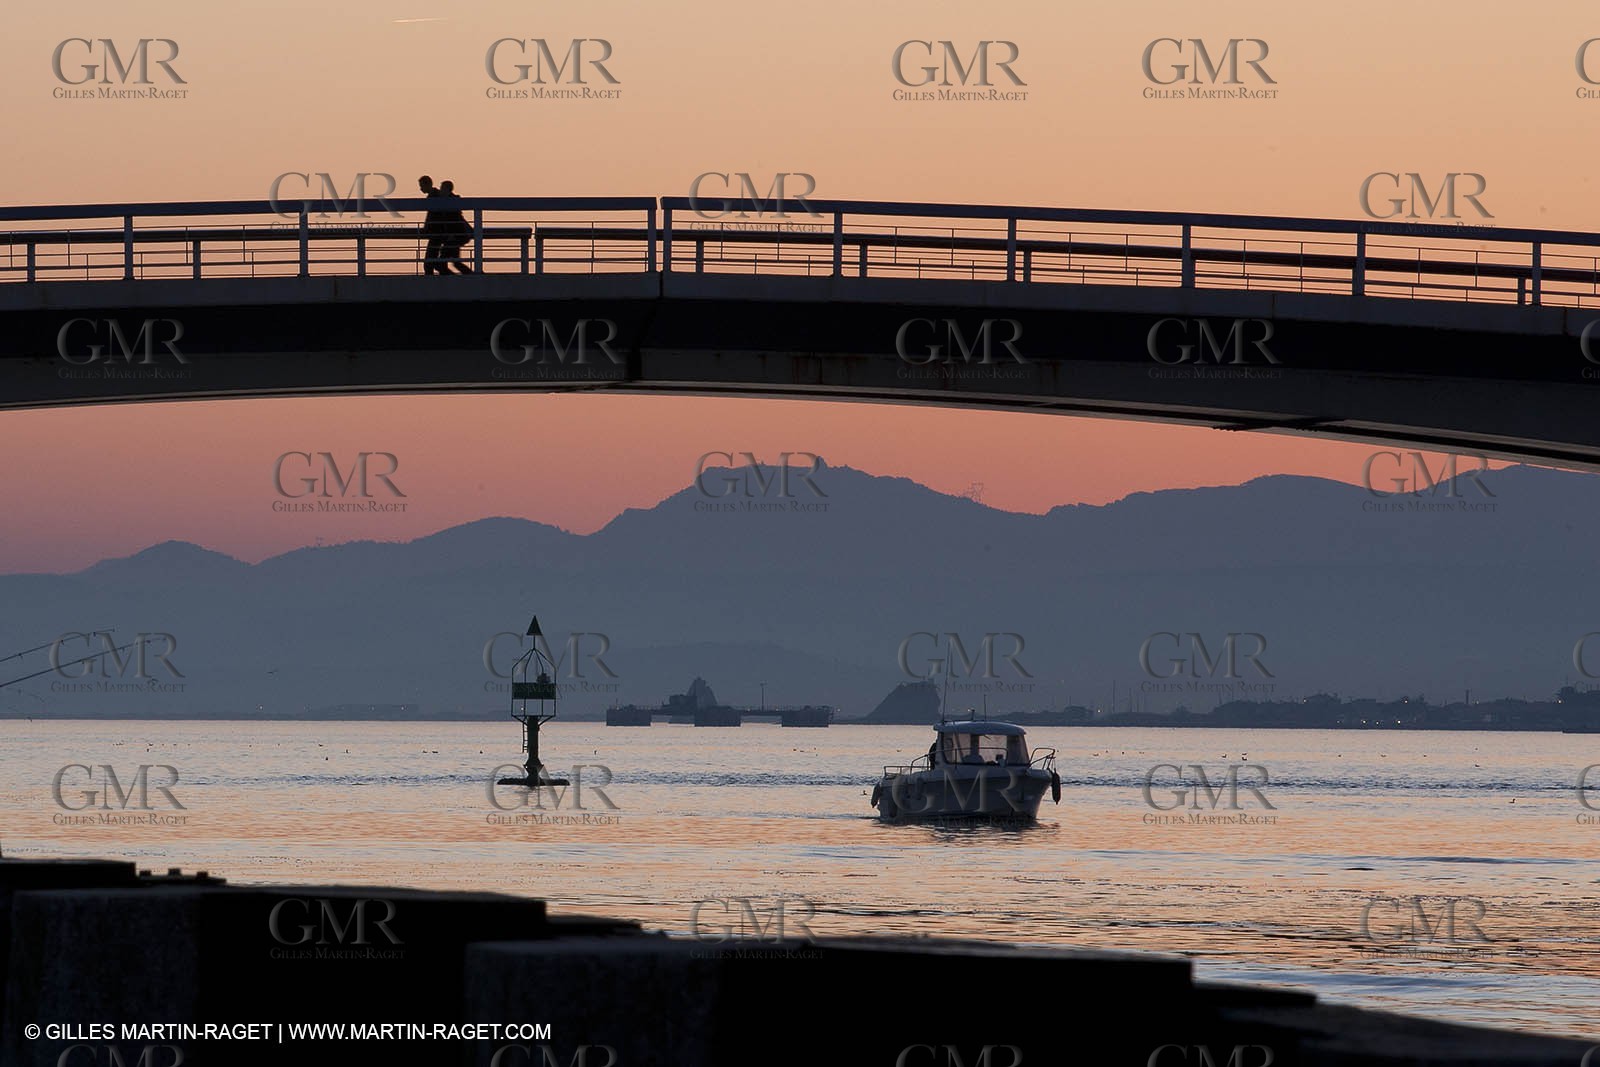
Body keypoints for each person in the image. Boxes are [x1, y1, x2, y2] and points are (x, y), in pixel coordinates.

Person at [436, 180, 474, 275]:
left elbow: (454, 221)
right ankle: (469, 276)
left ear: (447, 189)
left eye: (442, 188)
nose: (440, 191)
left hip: (454, 237)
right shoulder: (453, 201)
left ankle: (459, 277)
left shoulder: (450, 203)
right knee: (454, 262)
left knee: (441, 263)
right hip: (456, 236)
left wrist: (452, 234)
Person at [417, 175, 446, 276]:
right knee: (432, 260)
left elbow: (432, 216)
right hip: (438, 232)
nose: (420, 188)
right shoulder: (437, 195)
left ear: (427, 185)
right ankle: (444, 274)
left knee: (429, 262)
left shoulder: (434, 196)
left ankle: (442, 275)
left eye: (421, 186)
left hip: (436, 233)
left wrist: (426, 227)